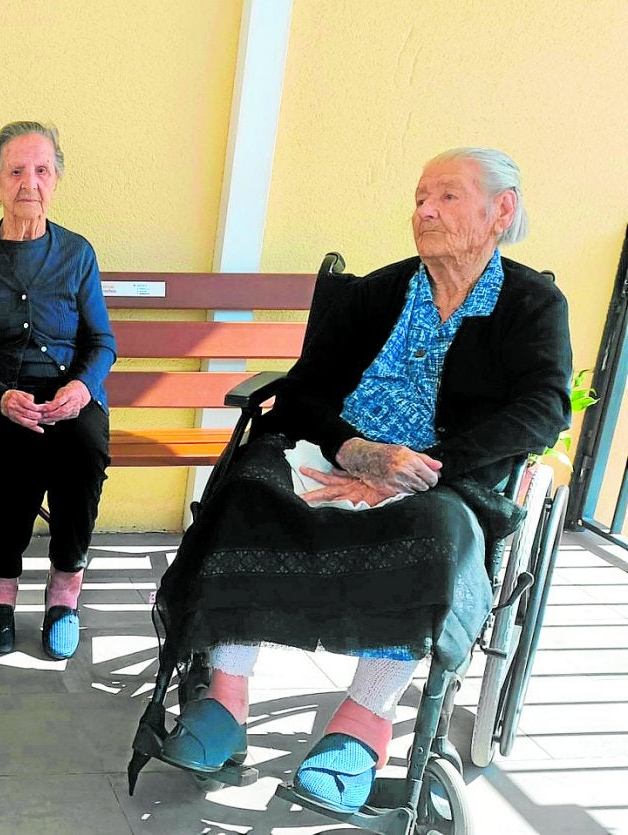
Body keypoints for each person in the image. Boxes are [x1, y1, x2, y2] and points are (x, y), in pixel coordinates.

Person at [156, 147, 572, 814]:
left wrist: (423, 469)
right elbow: (302, 392)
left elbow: (544, 407)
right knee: (246, 493)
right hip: (337, 456)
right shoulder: (376, 293)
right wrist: (356, 451)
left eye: (447, 196)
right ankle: (226, 699)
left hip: (443, 478)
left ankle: (363, 720)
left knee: (434, 533)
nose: (425, 210)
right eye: (420, 197)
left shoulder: (530, 303)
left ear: (502, 210)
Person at [0, 122, 116, 660]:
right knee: (19, 445)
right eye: (15, 171)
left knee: (84, 447)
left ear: (56, 179)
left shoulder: (77, 253)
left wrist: (82, 388)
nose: (29, 182)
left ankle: (65, 590)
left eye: (41, 170)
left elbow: (102, 341)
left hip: (67, 394)